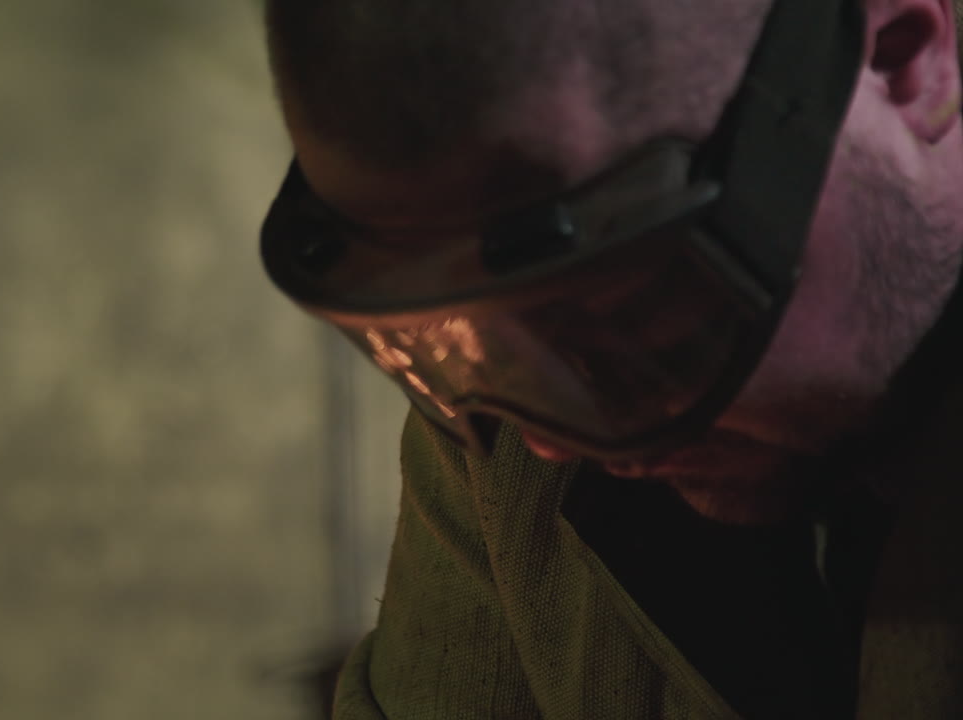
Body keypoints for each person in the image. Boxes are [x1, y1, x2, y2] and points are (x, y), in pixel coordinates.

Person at [258, 0, 963, 717]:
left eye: (624, 311)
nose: (551, 440)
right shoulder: (509, 432)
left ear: (901, 58)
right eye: (467, 339)